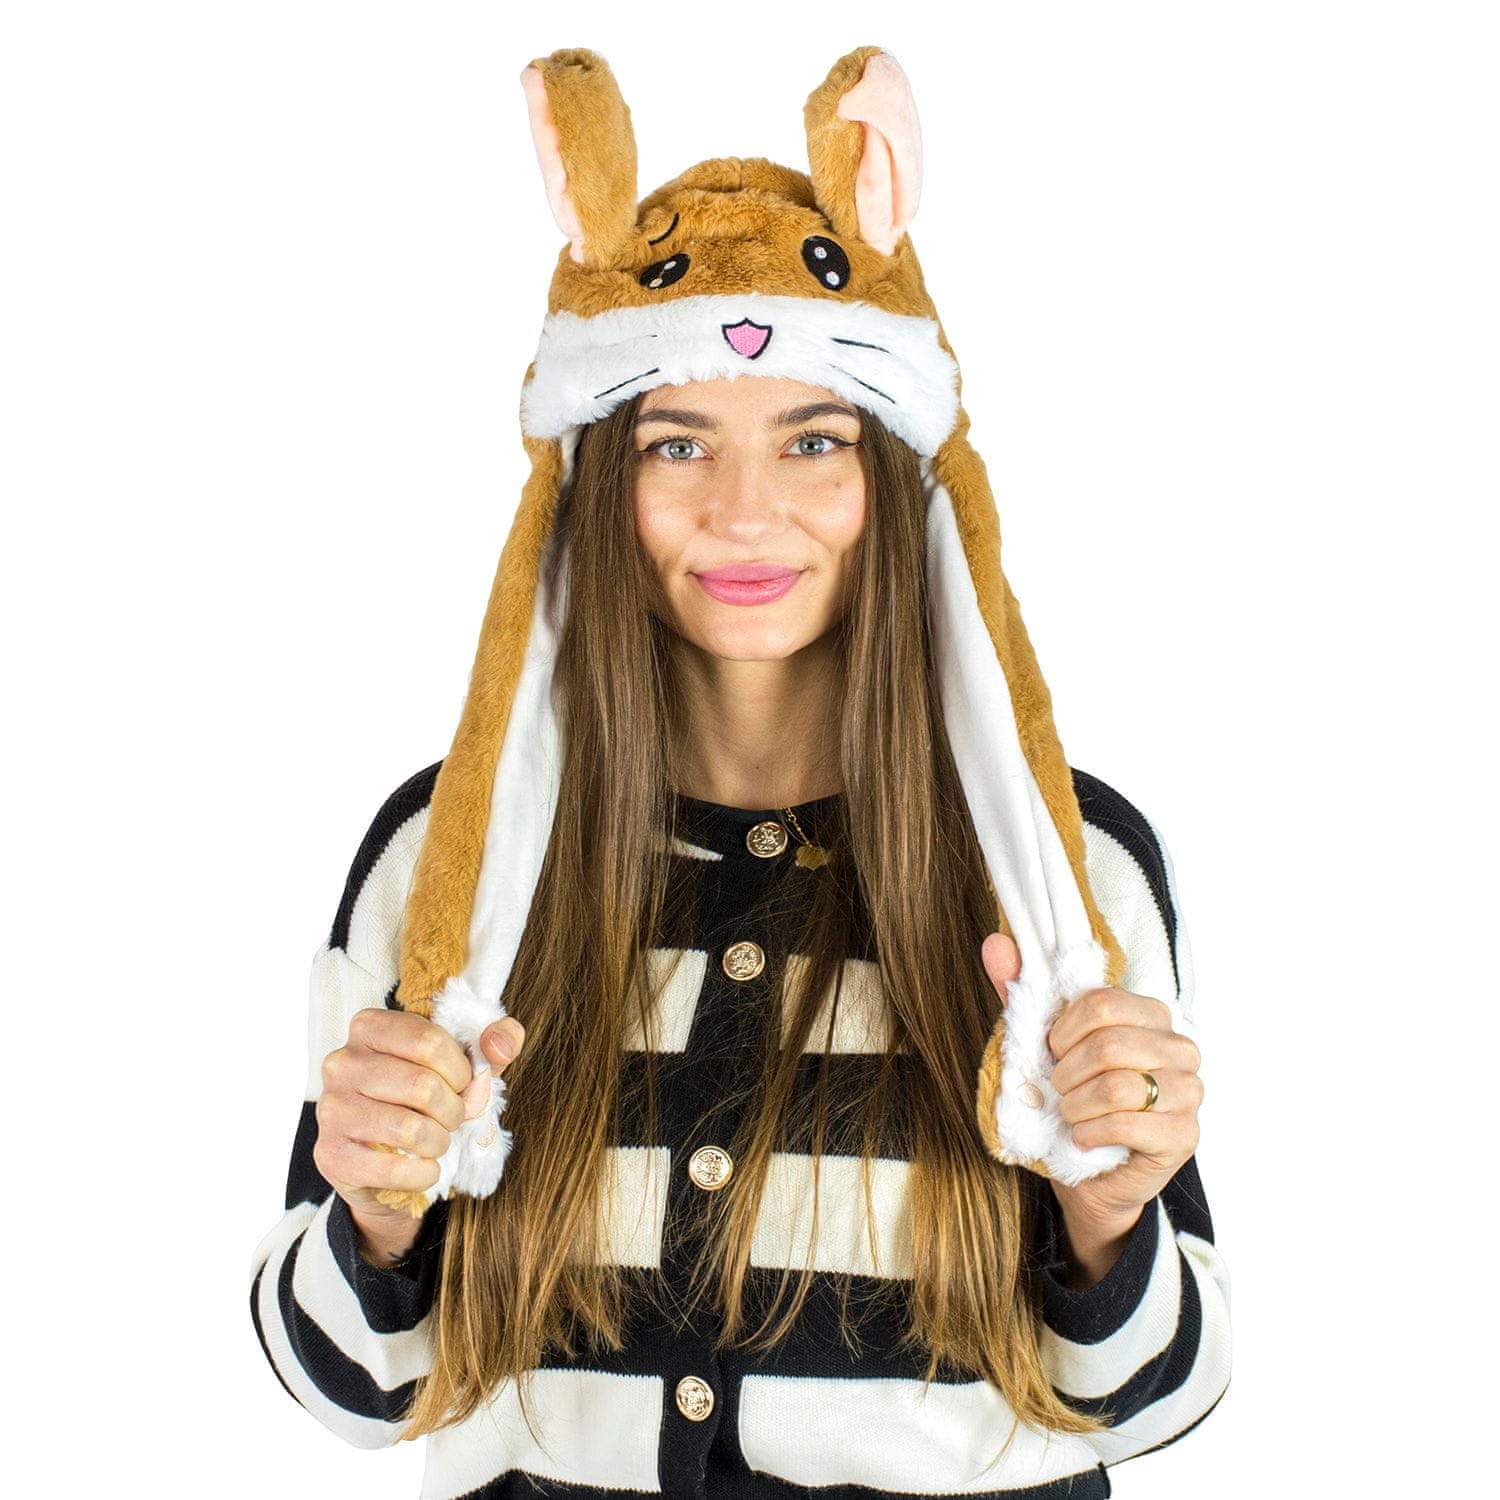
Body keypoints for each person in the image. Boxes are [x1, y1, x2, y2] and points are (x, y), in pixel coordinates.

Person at [250, 45, 1230, 1497]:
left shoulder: (1064, 863)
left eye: (813, 440)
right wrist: (377, 1212)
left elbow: (1162, 1394)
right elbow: (343, 1379)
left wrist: (1112, 1212)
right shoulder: (452, 853)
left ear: (895, 478)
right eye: (678, 445)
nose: (746, 513)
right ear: (596, 482)